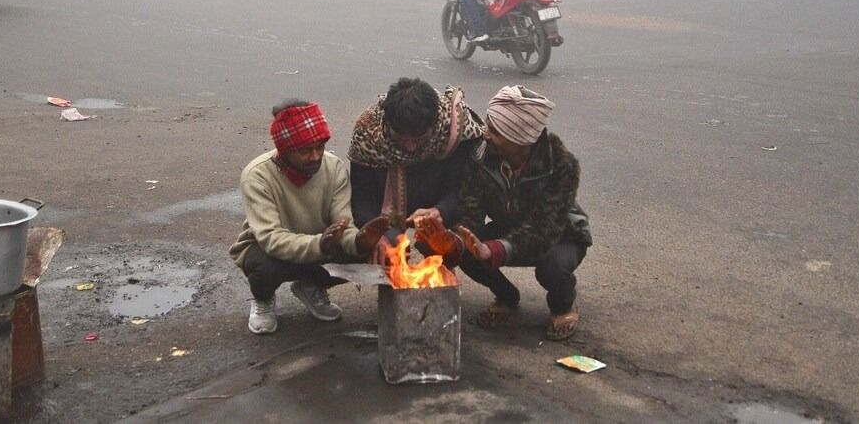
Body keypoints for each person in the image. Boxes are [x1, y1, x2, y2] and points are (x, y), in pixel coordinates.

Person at [416, 85, 592, 341]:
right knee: (469, 252)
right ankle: (507, 297)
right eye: (488, 125)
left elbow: (542, 230)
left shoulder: (561, 164)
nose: (485, 134)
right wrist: (451, 243)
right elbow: (469, 213)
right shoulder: (480, 157)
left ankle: (563, 307)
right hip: (509, 226)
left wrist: (495, 249)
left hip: (560, 234)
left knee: (551, 269)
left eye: (496, 131)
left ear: (521, 140)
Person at [229, 99, 387, 334]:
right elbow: (271, 238)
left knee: (369, 255)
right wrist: (320, 244)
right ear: (285, 150)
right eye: (305, 151)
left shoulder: (333, 168)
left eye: (320, 147)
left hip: (322, 242)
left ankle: (310, 286)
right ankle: (262, 300)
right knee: (264, 269)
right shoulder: (257, 175)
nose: (315, 156)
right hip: (270, 250)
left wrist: (359, 241)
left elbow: (342, 223)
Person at [348, 77, 485, 238]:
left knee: (456, 244)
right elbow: (362, 199)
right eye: (401, 139)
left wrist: (440, 211)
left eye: (419, 139)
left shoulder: (455, 131)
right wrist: (377, 236)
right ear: (388, 125)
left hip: (441, 206)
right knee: (388, 248)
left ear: (434, 125)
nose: (410, 148)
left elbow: (462, 190)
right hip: (382, 212)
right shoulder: (367, 134)